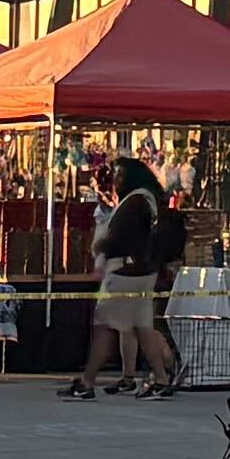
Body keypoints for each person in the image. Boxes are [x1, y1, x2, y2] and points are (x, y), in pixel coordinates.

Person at [78, 160, 171, 397]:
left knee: (104, 327)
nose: (116, 181)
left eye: (119, 176)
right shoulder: (151, 200)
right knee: (143, 327)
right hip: (145, 273)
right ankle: (161, 378)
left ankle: (87, 382)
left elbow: (119, 238)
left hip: (124, 273)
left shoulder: (134, 202)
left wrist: (101, 247)